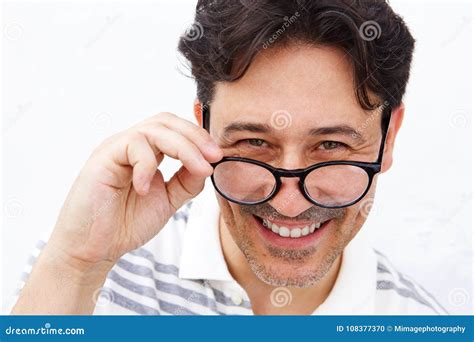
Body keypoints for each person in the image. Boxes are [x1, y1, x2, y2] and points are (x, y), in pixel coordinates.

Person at [11, 0, 447, 315]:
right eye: (255, 144)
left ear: (388, 139)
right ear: (202, 127)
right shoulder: (94, 266)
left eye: (331, 146)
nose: (289, 204)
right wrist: (77, 265)